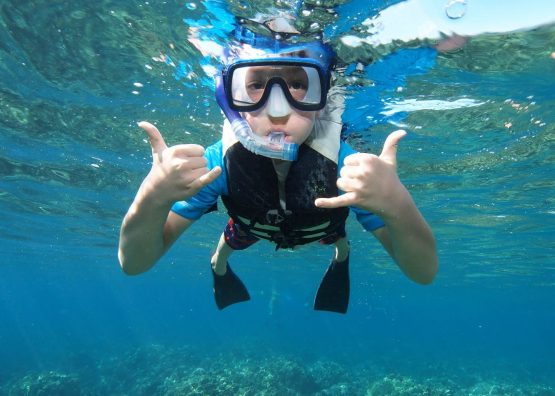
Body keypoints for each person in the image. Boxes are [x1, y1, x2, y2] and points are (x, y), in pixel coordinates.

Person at [118, 22, 438, 314]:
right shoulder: (217, 165)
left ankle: (342, 255)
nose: (277, 110)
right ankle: (218, 264)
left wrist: (396, 202)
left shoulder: (345, 167)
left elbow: (423, 273)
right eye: (255, 85)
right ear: (231, 100)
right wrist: (153, 196)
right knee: (228, 246)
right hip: (250, 222)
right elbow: (134, 264)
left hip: (322, 225)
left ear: (323, 97)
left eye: (299, 84)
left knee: (338, 239)